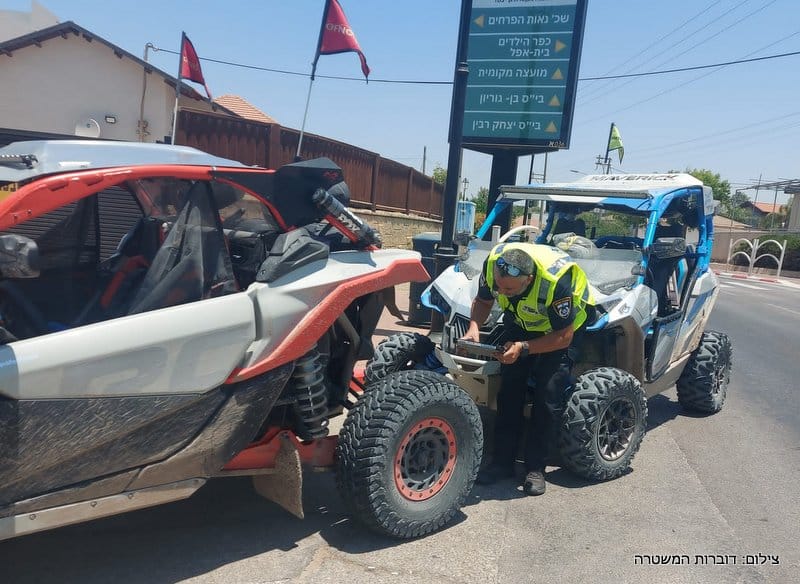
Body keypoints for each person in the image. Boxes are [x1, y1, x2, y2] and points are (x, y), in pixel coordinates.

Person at [461, 242, 594, 495]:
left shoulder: (556, 283)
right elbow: (484, 301)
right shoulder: (494, 266)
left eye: (509, 289)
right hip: (522, 320)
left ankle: (535, 468)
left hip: (563, 329)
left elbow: (563, 337)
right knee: (509, 390)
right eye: (499, 286)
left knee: (547, 395)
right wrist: (474, 327)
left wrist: (523, 348)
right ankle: (502, 463)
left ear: (529, 280)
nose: (502, 293)